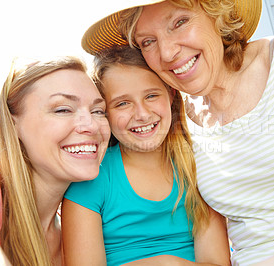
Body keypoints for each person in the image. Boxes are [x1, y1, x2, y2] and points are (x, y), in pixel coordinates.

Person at [79, 0, 274, 265]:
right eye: (148, 41)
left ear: (216, 13)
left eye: (179, 22)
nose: (168, 51)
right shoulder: (174, 120)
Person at [61, 46, 231, 266]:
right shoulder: (93, 179)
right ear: (104, 112)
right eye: (122, 103)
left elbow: (216, 262)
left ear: (170, 94)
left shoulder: (197, 167)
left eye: (151, 95)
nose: (142, 114)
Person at [0, 56, 110, 265]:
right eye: (63, 109)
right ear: (13, 124)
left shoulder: (83, 232)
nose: (91, 125)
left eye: (98, 111)